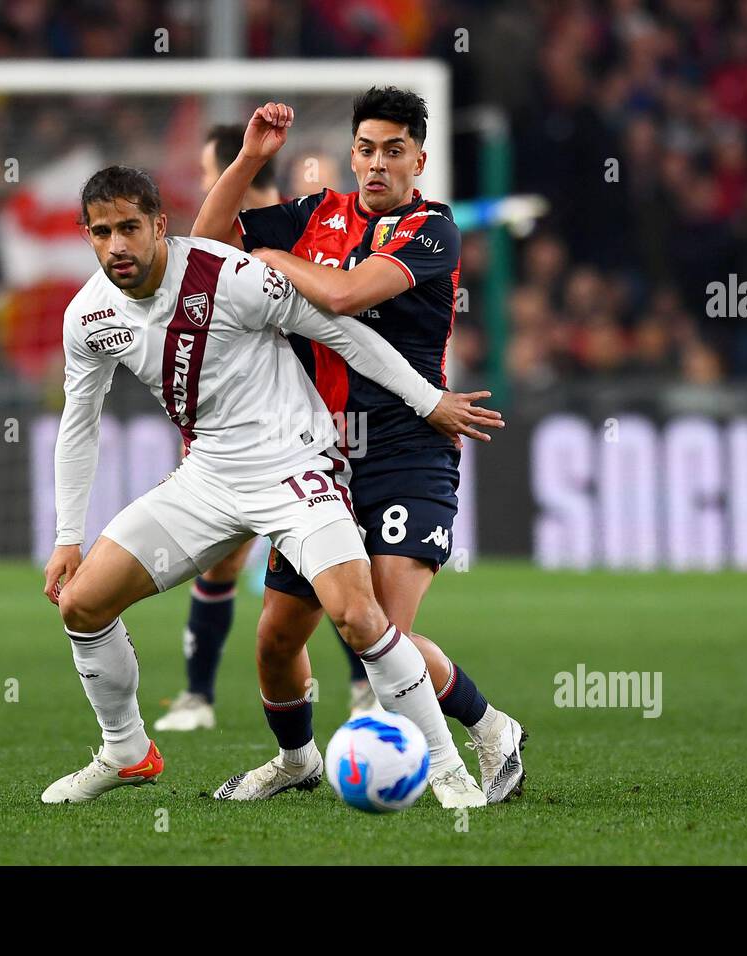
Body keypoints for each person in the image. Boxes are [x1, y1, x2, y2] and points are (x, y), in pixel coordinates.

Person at [40, 165, 502, 808]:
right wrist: (68, 538)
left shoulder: (227, 276)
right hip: (207, 478)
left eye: (129, 228)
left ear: (158, 226)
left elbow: (341, 331)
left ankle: (449, 770)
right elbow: (78, 423)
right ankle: (126, 749)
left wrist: (428, 400)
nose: (116, 245)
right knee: (81, 605)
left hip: (296, 467)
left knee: (358, 616)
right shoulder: (87, 314)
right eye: (101, 232)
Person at [194, 89, 528, 805]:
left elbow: (345, 297)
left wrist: (276, 257)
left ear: (420, 161)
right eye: (367, 149)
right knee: (277, 638)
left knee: (378, 636)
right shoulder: (316, 212)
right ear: (352, 154)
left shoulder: (432, 229)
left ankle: (492, 726)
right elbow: (204, 243)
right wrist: (252, 158)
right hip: (318, 460)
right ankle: (294, 761)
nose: (378, 164)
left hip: (411, 450)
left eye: (394, 151)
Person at [157, 123, 383, 733]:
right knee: (235, 567)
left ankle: (360, 690)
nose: (208, 183)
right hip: (238, 428)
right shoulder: (245, 237)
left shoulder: (302, 233)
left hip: (307, 426)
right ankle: (202, 699)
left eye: (211, 172)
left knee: (324, 565)